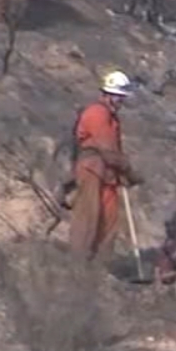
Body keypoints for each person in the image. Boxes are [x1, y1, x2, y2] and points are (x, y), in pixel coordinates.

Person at [68, 70, 141, 261]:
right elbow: (107, 149)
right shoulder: (97, 113)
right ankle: (78, 262)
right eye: (119, 96)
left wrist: (122, 173)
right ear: (109, 94)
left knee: (109, 220)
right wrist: (128, 171)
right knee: (88, 218)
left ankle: (101, 263)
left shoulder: (111, 116)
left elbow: (114, 151)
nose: (121, 101)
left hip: (108, 174)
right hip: (92, 170)